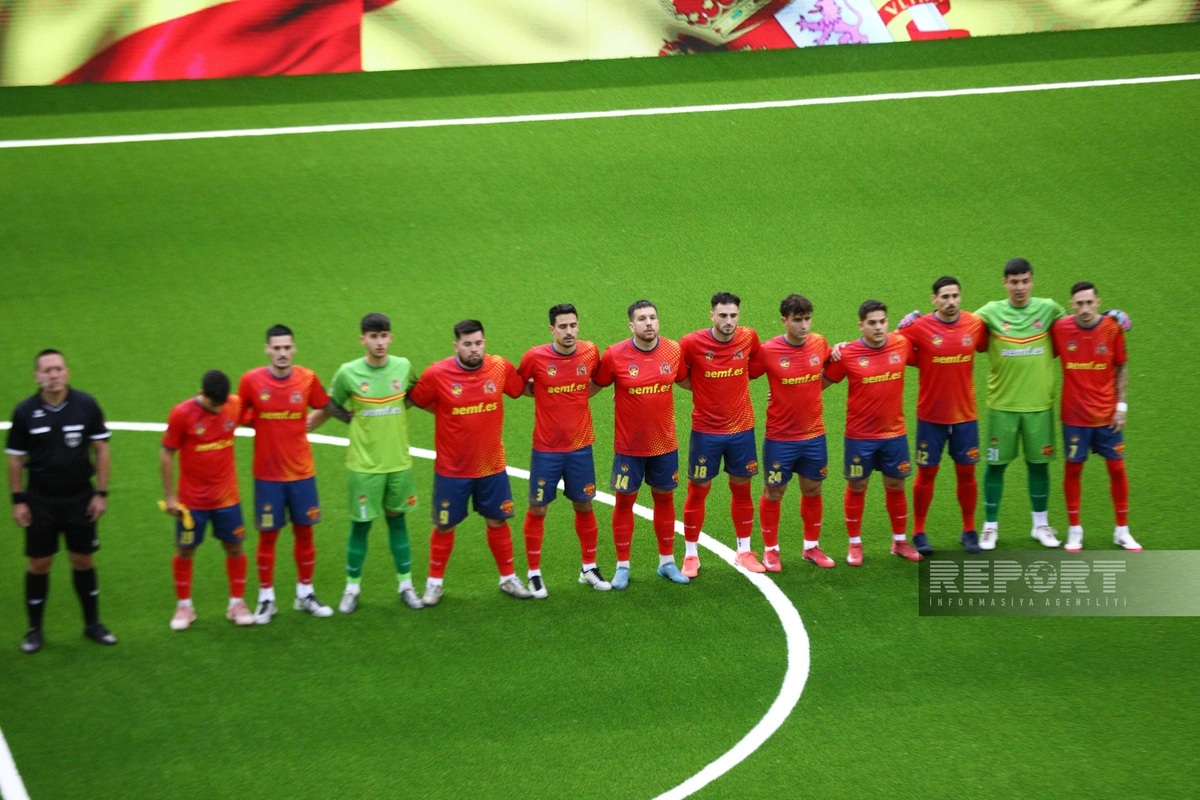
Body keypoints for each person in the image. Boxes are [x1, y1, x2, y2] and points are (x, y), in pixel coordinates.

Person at [408, 320, 533, 604]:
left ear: (484, 342)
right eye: (467, 344)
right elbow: (418, 398)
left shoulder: (499, 367)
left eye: (478, 343)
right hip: (452, 470)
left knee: (497, 520)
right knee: (445, 525)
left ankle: (508, 578)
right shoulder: (437, 373)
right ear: (456, 346)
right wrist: (445, 411)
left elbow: (519, 389)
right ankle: (434, 584)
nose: (474, 349)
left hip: (491, 466)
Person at [308, 313, 423, 613]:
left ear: (391, 338)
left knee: (398, 521)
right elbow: (330, 404)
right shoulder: (348, 373)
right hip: (363, 465)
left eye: (384, 336)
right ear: (363, 340)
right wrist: (302, 427)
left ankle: (406, 585)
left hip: (398, 462)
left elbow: (418, 394)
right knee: (360, 526)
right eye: (373, 337)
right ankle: (352, 589)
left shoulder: (403, 366)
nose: (379, 342)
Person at [7, 349, 116, 654]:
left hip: (80, 499)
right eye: (46, 371)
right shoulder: (25, 412)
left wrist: (101, 493)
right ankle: (34, 630)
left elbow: (101, 449)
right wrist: (18, 500)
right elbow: (15, 459)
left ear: (67, 372)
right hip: (40, 501)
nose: (53, 375)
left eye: (58, 369)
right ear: (36, 376)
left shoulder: (86, 405)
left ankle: (93, 624)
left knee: (83, 560)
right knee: (39, 563)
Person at [238, 324, 335, 623]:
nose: (282, 353)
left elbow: (326, 405)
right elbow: (239, 415)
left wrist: (310, 422)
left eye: (287, 347)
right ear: (267, 349)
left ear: (294, 348)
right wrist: (264, 423)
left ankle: (305, 593)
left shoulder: (307, 378)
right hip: (267, 476)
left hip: (302, 473)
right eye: (277, 348)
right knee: (268, 537)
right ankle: (266, 599)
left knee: (305, 533)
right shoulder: (251, 381)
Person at [591, 300, 690, 586]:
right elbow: (593, 387)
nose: (648, 323)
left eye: (652, 317)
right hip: (629, 447)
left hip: (664, 444)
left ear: (658, 322)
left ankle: (667, 562)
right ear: (631, 325)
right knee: (624, 502)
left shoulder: (673, 350)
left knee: (665, 499)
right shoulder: (614, 354)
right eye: (642, 319)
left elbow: (687, 381)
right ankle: (622, 567)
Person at [517, 304, 609, 598]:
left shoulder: (590, 352)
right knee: (538, 507)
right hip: (546, 449)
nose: (569, 332)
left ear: (578, 326)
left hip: (580, 447)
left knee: (584, 504)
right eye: (563, 327)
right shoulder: (535, 357)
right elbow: (519, 385)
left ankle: (589, 568)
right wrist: (542, 392)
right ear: (552, 329)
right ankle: (534, 573)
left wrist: (579, 394)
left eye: (573, 325)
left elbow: (597, 381)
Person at [822, 300, 922, 565]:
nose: (878, 327)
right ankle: (855, 544)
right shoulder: (847, 353)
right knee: (857, 487)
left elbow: (925, 351)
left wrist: (916, 320)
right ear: (861, 325)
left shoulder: (900, 344)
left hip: (894, 434)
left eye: (882, 322)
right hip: (860, 437)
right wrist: (784, 393)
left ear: (888, 322)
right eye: (872, 323)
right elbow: (820, 382)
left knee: (896, 485)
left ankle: (899, 542)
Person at [895, 277, 988, 554]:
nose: (951, 302)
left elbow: (988, 342)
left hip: (965, 416)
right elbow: (892, 345)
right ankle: (919, 532)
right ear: (934, 299)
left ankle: (969, 530)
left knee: (967, 473)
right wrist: (901, 327)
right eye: (945, 297)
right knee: (927, 474)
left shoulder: (974, 324)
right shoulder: (919, 326)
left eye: (955, 296)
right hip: (931, 416)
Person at [1050, 281, 1140, 552]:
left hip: (1107, 416)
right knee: (1073, 470)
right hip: (1074, 416)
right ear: (1071, 305)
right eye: (1079, 303)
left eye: (1090, 302)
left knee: (1117, 469)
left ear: (1098, 302)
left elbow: (1121, 367)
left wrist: (1121, 407)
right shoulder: (1060, 328)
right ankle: (1075, 530)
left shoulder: (1112, 328)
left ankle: (1122, 530)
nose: (1085, 308)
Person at [678, 292, 763, 578]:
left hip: (742, 430)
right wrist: (703, 386)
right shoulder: (691, 343)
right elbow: (679, 376)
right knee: (698, 490)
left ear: (739, 316)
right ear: (712, 315)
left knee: (742, 489)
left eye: (733, 315)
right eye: (723, 315)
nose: (728, 321)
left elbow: (757, 365)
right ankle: (691, 555)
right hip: (706, 431)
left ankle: (744, 551)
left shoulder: (748, 337)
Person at [160, 370, 253, 629]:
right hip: (192, 502)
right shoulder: (181, 414)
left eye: (222, 403)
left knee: (234, 547)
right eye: (214, 404)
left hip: (227, 498)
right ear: (201, 394)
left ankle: (237, 603)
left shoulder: (232, 404)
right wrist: (170, 496)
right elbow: (167, 453)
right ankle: (184, 607)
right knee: (185, 550)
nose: (219, 409)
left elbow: (256, 416)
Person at [749, 294, 834, 571]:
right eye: (797, 320)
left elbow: (831, 366)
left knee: (813, 489)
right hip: (780, 438)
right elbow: (743, 375)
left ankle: (811, 547)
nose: (804, 325)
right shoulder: (768, 350)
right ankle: (770, 550)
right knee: (774, 492)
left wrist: (840, 348)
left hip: (814, 435)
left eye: (807, 319)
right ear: (784, 320)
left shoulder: (819, 343)